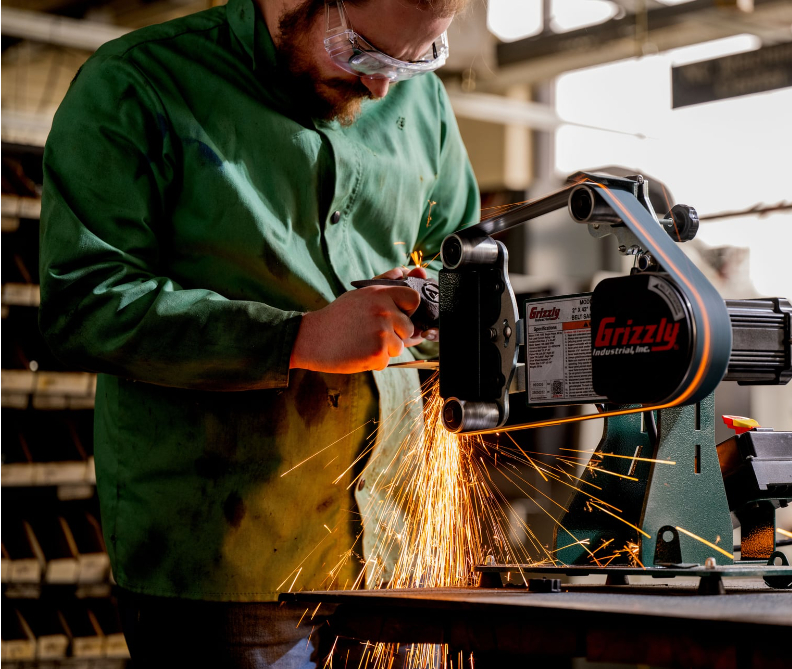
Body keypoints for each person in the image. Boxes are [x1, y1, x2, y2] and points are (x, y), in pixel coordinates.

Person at [38, 0, 477, 665]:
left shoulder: (423, 108)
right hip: (228, 561)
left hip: (394, 550)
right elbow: (84, 303)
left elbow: (459, 257)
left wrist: (434, 300)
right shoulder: (139, 83)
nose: (383, 86)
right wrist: (296, 337)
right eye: (360, 52)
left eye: (415, 60)